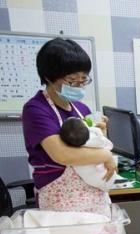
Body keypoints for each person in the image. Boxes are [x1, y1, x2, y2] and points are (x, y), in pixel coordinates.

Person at [22, 38, 116, 215]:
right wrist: (106, 155)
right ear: (49, 77)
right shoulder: (36, 110)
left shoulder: (81, 109)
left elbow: (93, 145)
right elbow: (63, 155)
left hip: (94, 195)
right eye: (72, 81)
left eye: (83, 80)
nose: (79, 86)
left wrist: (101, 132)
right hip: (60, 199)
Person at [59, 117, 116, 191]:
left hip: (89, 179)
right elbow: (104, 140)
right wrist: (100, 128)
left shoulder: (71, 144)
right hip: (103, 176)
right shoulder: (94, 139)